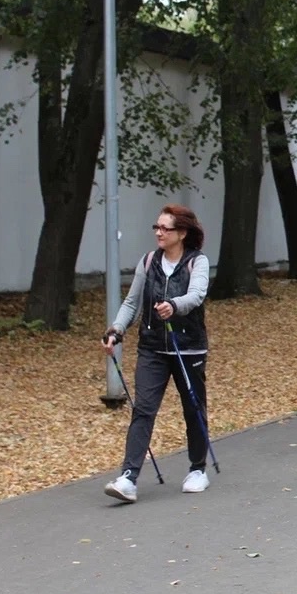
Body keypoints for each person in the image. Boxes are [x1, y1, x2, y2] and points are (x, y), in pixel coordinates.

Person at [101, 204, 211, 503]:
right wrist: (117, 330)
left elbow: (197, 294)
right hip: (152, 348)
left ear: (182, 233)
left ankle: (198, 468)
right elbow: (132, 302)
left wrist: (174, 305)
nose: (159, 233)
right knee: (144, 409)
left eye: (166, 228)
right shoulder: (148, 262)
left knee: (193, 408)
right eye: (157, 227)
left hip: (188, 347)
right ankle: (128, 477)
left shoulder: (196, 262)